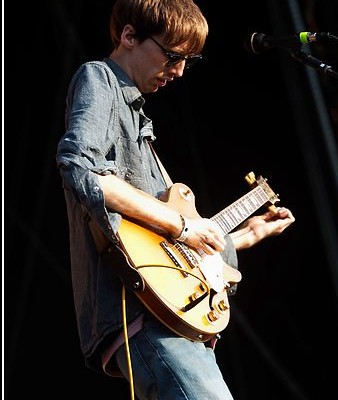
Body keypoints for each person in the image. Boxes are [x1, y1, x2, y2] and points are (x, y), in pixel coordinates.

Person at [56, 0, 295, 399]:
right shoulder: (98, 79)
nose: (180, 71)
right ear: (129, 36)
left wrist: (248, 234)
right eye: (172, 56)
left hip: (168, 314)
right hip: (141, 312)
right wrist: (183, 225)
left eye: (189, 60)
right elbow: (83, 170)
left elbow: (172, 245)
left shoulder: (139, 123)